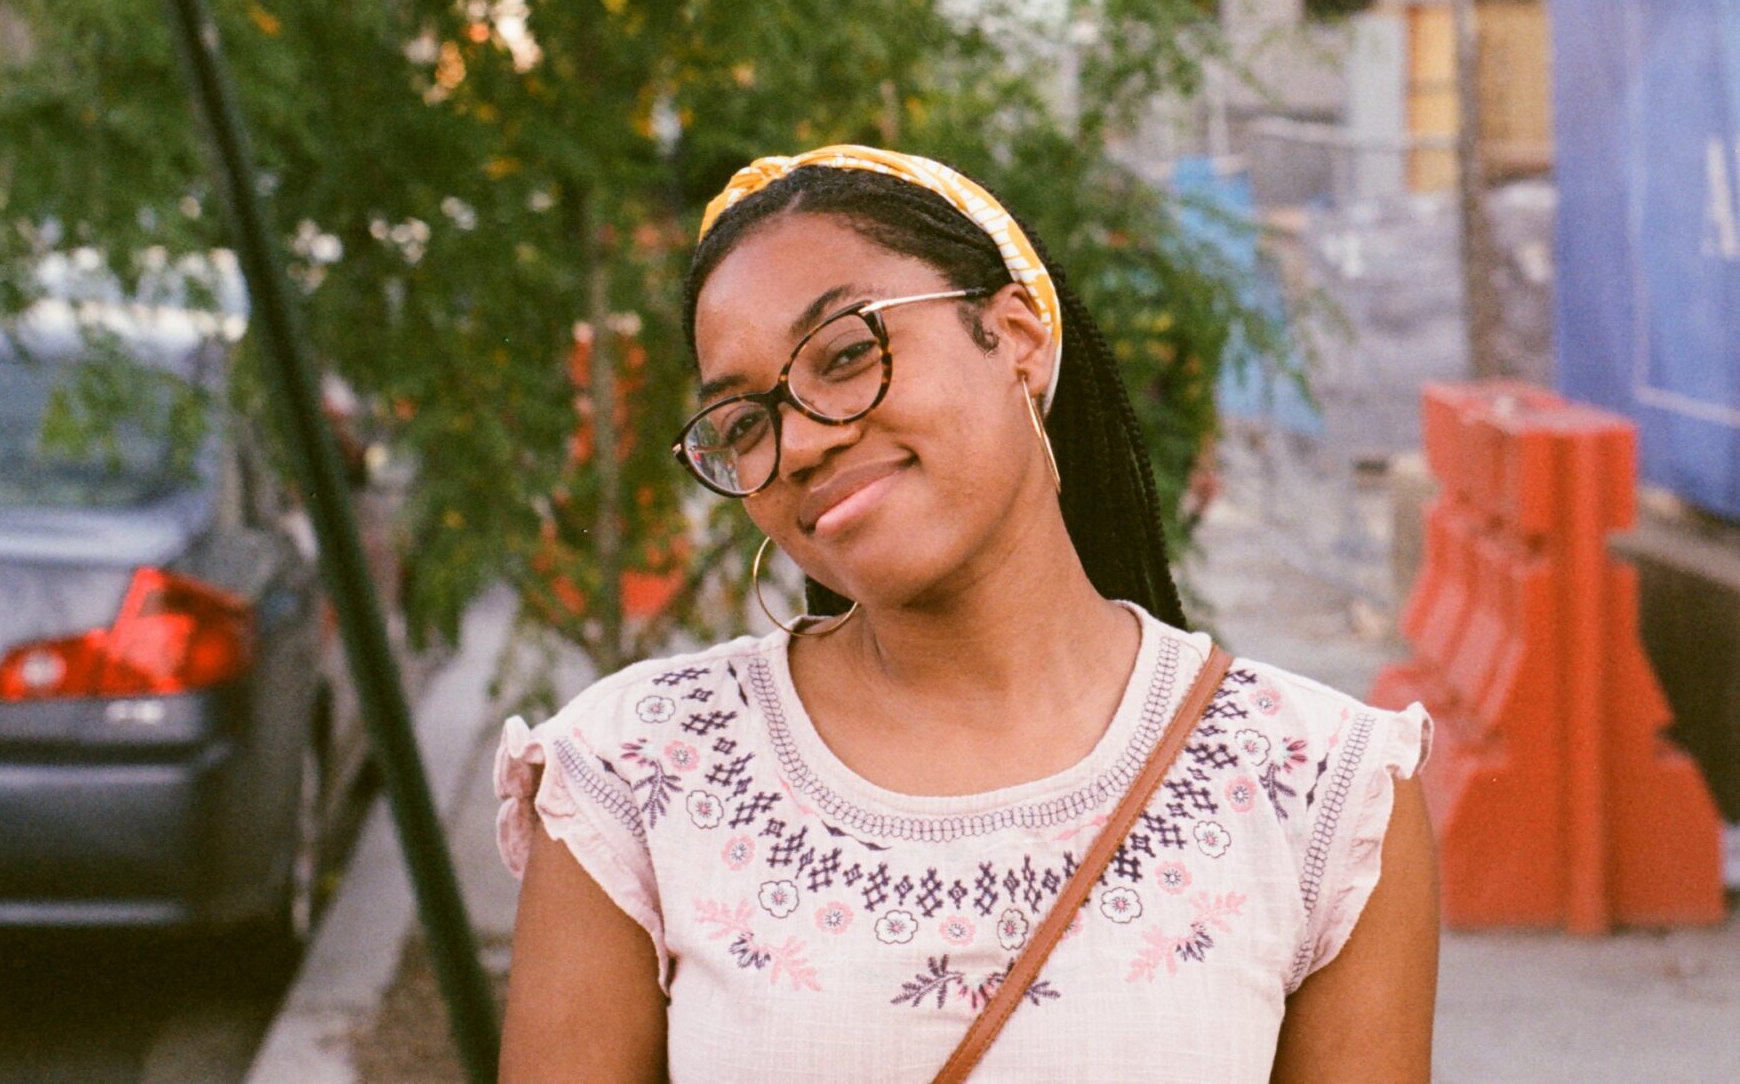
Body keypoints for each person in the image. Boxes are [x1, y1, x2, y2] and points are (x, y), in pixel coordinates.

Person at [495, 144, 1438, 1082]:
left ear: (1018, 338)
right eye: (745, 423)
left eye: (848, 354)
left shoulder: (1319, 793)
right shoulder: (635, 776)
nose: (804, 441)